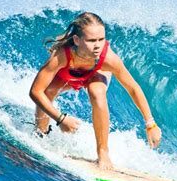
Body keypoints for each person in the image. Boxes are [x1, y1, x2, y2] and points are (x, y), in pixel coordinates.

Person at [29, 12, 162, 170]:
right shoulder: (61, 56)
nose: (98, 45)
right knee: (49, 91)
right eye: (92, 40)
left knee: (97, 93)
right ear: (77, 40)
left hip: (95, 73)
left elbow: (133, 87)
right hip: (69, 73)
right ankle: (41, 133)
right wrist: (61, 119)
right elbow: (36, 91)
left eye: (101, 39)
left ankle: (103, 152)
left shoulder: (108, 58)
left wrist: (151, 125)